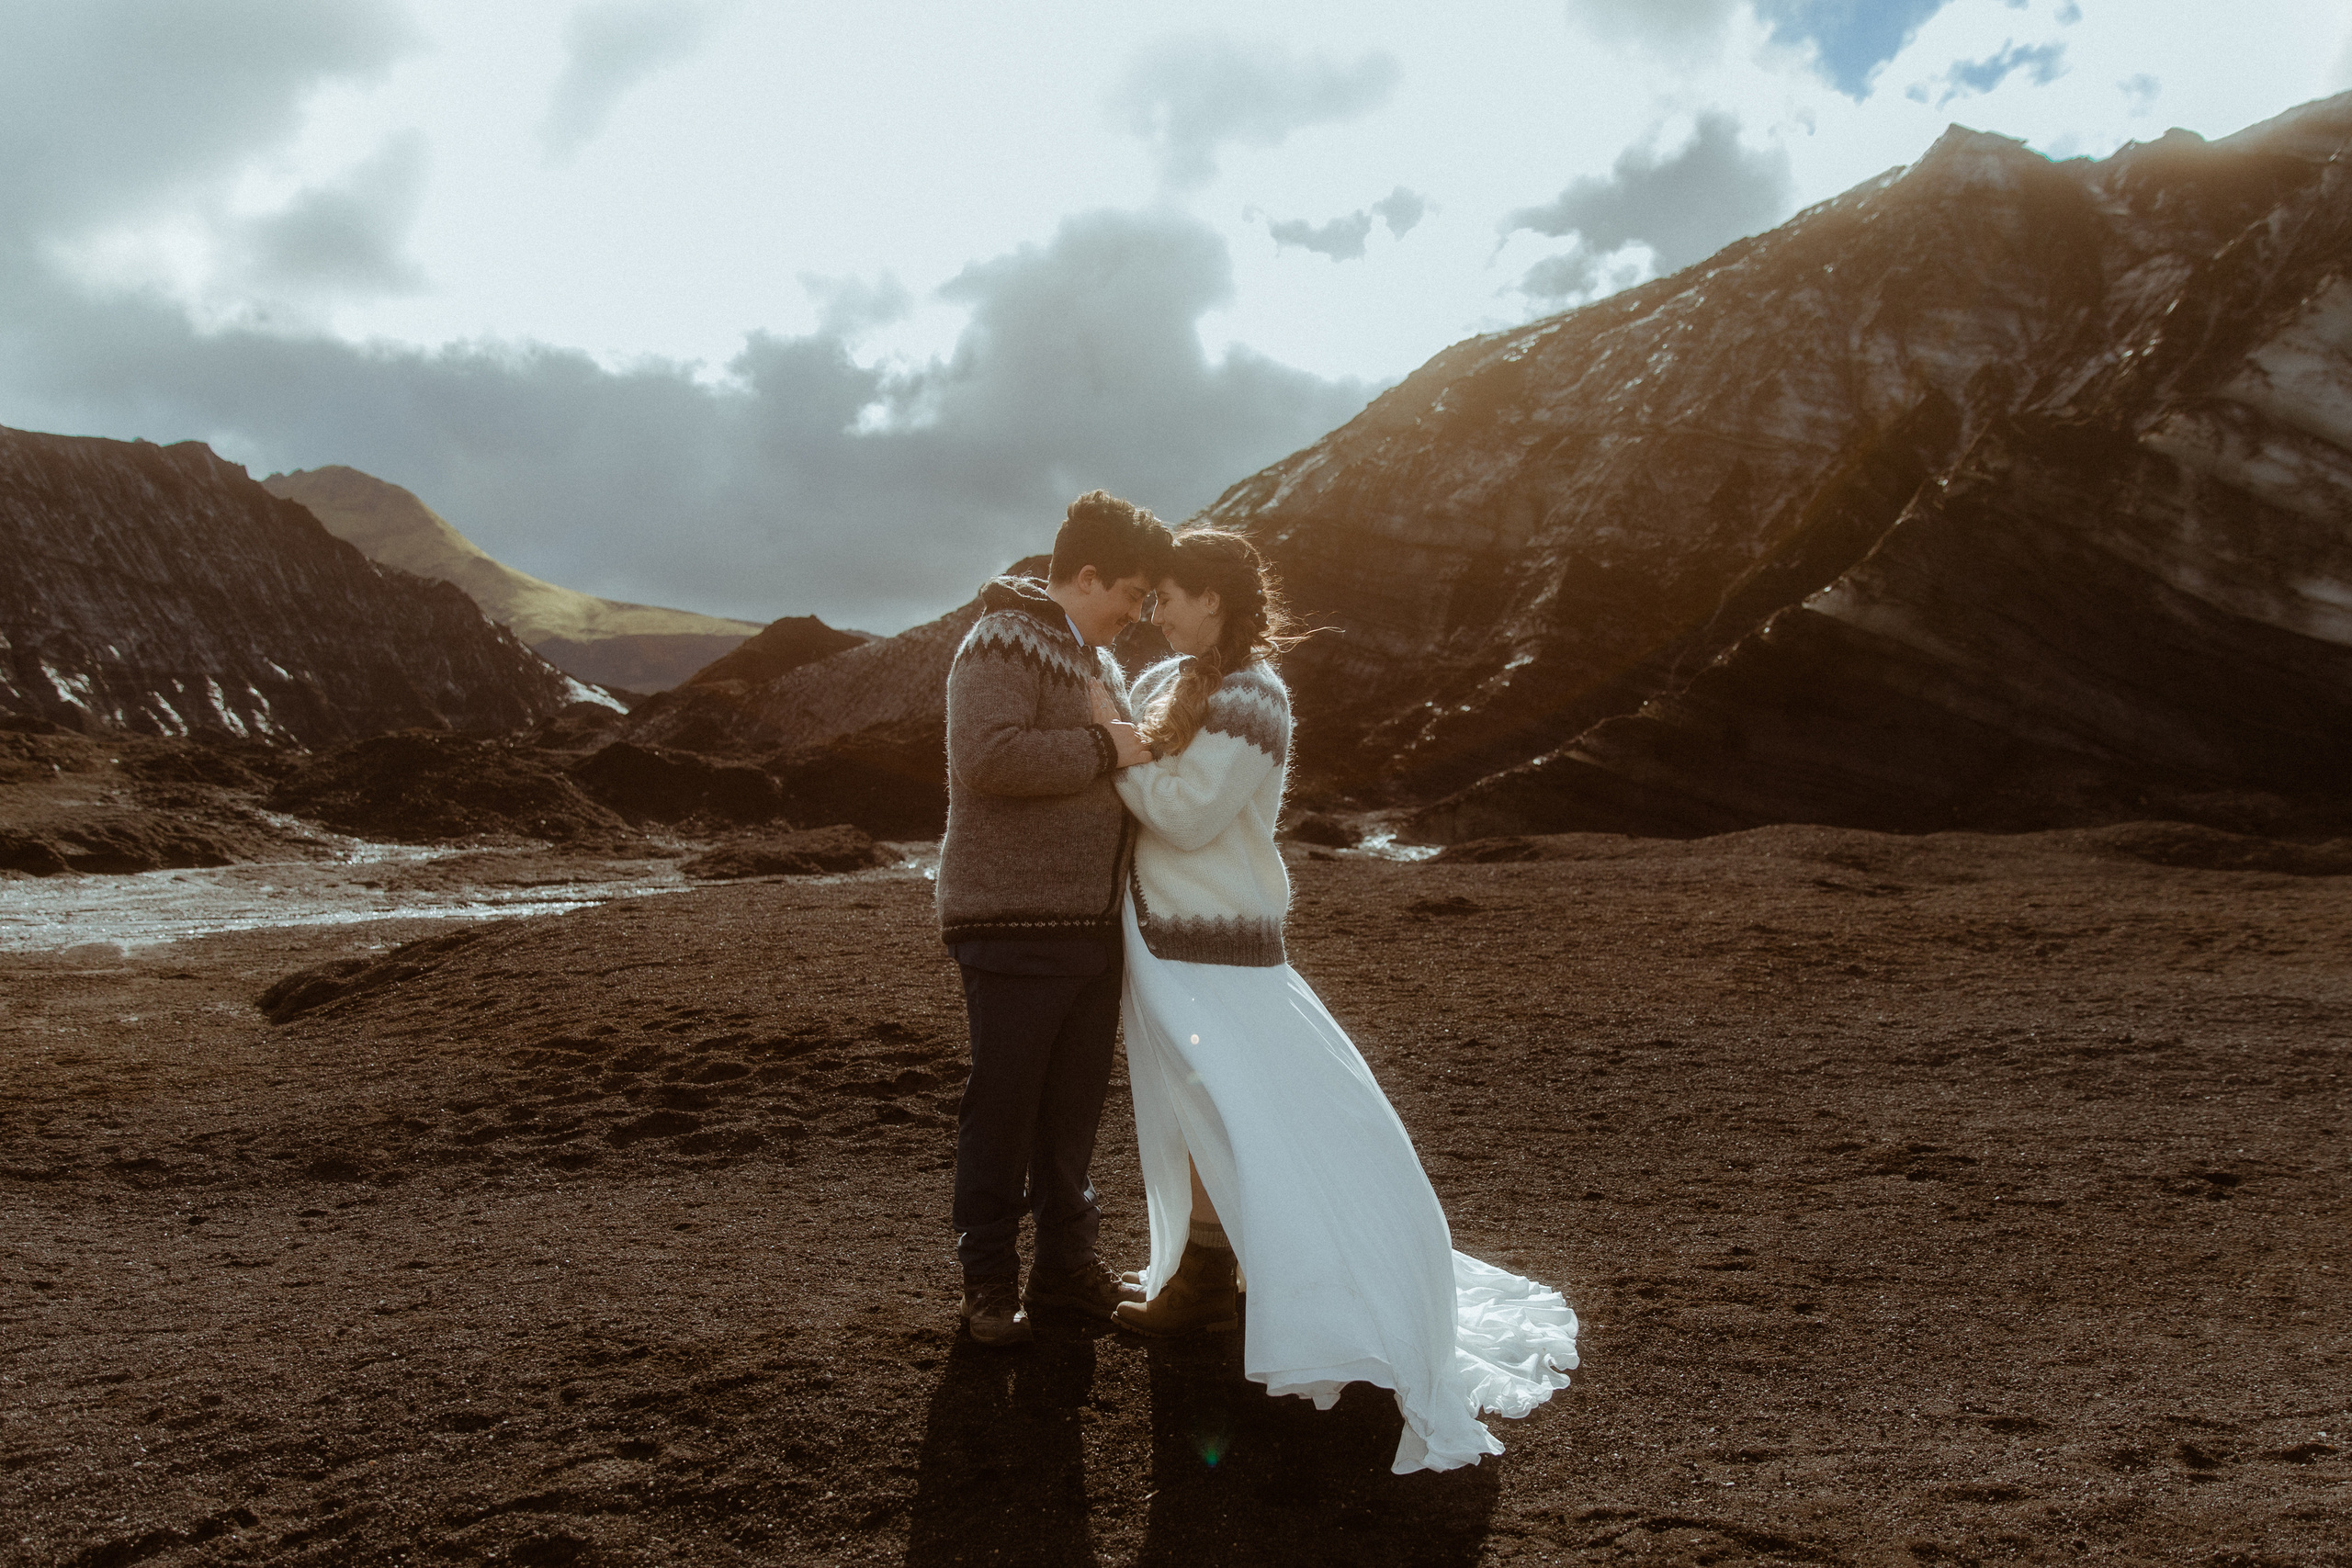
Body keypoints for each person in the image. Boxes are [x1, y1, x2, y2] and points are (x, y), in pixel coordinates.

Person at [1091, 527, 1579, 1472]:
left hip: (1222, 945)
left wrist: (1112, 745)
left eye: (1168, 598)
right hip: (1165, 940)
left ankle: (1323, 1285)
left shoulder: (1251, 697)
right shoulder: (1169, 686)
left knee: (1270, 1114)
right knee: (1202, 1109)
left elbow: (1188, 815)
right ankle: (1207, 1273)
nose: (1153, 613)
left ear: (1212, 602)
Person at [935, 490, 1170, 1347]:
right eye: (1133, 594)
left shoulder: (1094, 663)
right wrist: (1114, 746)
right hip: (1010, 920)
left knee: (1071, 1109)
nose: (1137, 614)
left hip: (1088, 926)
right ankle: (990, 1285)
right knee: (1004, 1106)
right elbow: (990, 758)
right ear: (1086, 574)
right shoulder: (1002, 639)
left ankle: (1067, 1268)